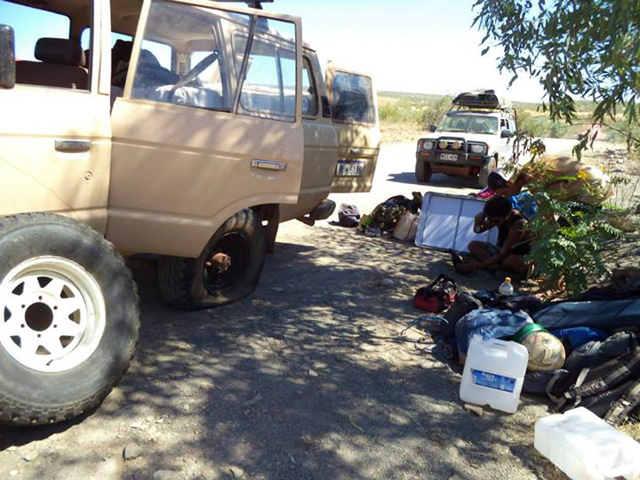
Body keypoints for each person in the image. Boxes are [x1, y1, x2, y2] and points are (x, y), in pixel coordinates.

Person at [455, 195, 532, 275]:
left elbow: (503, 253)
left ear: (506, 216)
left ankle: (493, 266)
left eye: (495, 221)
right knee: (473, 245)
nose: (493, 223)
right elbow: (479, 230)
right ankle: (493, 266)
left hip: (518, 257)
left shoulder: (518, 224)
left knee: (510, 261)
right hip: (502, 252)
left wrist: (476, 266)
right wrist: (477, 223)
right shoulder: (497, 218)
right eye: (490, 220)